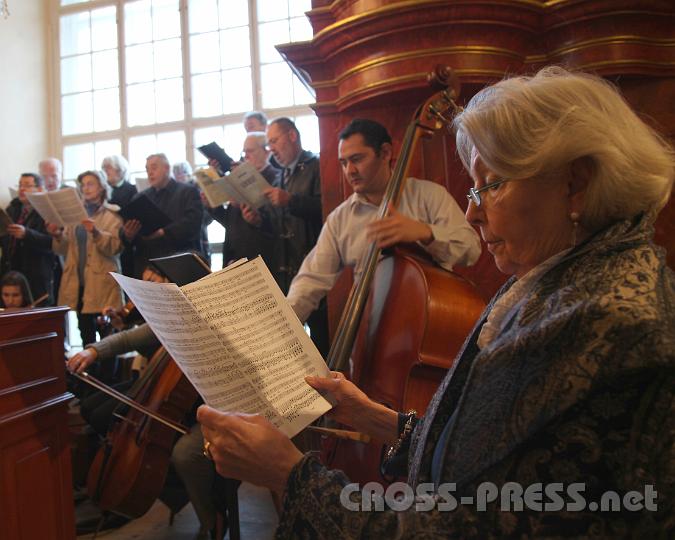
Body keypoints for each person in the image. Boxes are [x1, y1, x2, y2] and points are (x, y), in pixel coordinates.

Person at [197, 67, 675, 537]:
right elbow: (475, 449)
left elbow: (469, 523)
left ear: (576, 184)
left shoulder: (607, 321)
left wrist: (292, 475)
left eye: (491, 185)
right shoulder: (547, 277)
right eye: (473, 188)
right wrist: (374, 417)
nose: (472, 208)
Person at [287, 118, 481, 324]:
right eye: (344, 163)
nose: (349, 170)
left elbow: (471, 250)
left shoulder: (430, 196)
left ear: (386, 153)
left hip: (429, 321)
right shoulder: (340, 219)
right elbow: (311, 279)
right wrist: (284, 325)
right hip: (371, 330)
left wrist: (425, 232)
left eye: (357, 159)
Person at [263, 117, 328, 354]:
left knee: (323, 346)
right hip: (286, 273)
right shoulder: (281, 175)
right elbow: (278, 225)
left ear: (292, 135)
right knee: (292, 348)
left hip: (314, 271)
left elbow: (327, 210)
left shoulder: (317, 166)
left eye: (274, 140)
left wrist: (291, 201)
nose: (271, 149)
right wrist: (257, 219)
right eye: (268, 143)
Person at [48, 169, 124, 347]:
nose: (86, 188)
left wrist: (96, 233)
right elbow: (64, 249)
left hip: (102, 284)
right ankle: (88, 373)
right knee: (85, 333)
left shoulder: (112, 215)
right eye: (83, 185)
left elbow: (115, 248)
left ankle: (105, 375)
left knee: (107, 338)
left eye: (91, 184)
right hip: (79, 284)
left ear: (102, 188)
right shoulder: (74, 216)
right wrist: (57, 235)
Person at [207, 131, 281, 273]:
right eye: (244, 151)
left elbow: (276, 221)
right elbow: (230, 222)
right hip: (236, 257)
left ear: (266, 152)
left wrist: (256, 219)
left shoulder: (275, 177)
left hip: (264, 258)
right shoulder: (237, 179)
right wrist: (212, 206)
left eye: (250, 151)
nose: (246, 155)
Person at [122, 153, 204, 277]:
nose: (150, 173)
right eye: (147, 169)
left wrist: (164, 232)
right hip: (147, 266)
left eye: (154, 168)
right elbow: (128, 232)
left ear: (167, 168)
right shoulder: (140, 198)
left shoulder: (188, 192)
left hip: (179, 263)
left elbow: (192, 223)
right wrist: (127, 234)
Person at [0, 172, 56, 305]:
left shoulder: (47, 210)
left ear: (40, 189)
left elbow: (53, 243)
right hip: (12, 272)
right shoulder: (13, 208)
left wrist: (27, 234)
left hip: (36, 274)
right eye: (20, 185)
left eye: (27, 185)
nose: (22, 189)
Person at [101, 154, 138, 277]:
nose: (105, 171)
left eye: (108, 168)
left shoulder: (131, 189)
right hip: (105, 236)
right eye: (103, 168)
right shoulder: (103, 191)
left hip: (124, 237)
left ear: (119, 169)